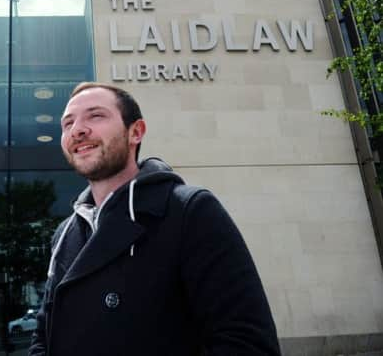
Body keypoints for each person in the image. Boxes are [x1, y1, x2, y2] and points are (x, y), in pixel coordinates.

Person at [29, 82, 281, 356]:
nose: (77, 129)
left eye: (95, 116)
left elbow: (246, 342)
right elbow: (44, 336)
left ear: (135, 132)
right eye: (67, 123)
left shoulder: (189, 210)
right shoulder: (65, 233)